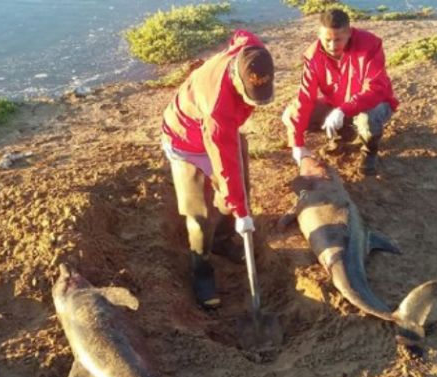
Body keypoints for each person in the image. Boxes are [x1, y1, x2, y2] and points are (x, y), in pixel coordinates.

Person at [161, 30, 275, 310]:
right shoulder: (217, 107)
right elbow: (224, 165)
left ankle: (224, 239)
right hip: (186, 140)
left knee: (236, 195)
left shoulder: (252, 53)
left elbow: (242, 35)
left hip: (224, 134)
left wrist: (238, 208)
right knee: (198, 213)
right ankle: (201, 270)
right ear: (236, 78)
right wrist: (243, 212)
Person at [282, 8, 398, 176]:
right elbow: (305, 97)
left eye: (338, 39)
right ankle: (344, 134)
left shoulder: (370, 45)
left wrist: (343, 110)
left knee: (368, 117)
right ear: (319, 35)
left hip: (374, 104)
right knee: (290, 114)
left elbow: (376, 89)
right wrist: (297, 144)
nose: (332, 46)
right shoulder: (313, 56)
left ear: (349, 33)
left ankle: (369, 152)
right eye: (327, 40)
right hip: (337, 105)